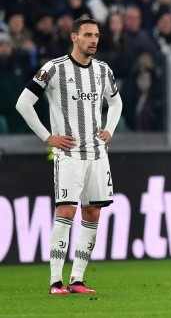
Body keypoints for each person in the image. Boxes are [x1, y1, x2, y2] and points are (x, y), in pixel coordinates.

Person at [15, 17, 123, 295]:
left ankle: (77, 279)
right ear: (73, 37)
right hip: (69, 154)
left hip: (98, 154)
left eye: (96, 35)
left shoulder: (103, 70)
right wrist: (47, 137)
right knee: (66, 211)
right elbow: (24, 103)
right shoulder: (54, 69)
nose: (94, 40)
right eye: (87, 35)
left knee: (92, 212)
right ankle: (54, 281)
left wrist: (109, 130)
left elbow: (116, 101)